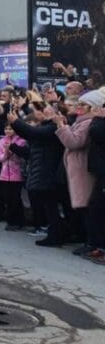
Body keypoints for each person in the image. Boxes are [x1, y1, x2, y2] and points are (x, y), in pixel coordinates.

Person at [8, 103, 66, 246]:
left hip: (49, 169)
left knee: (52, 205)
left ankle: (56, 235)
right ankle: (55, 234)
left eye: (49, 110)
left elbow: (35, 133)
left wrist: (16, 122)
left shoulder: (54, 128)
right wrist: (15, 124)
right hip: (42, 168)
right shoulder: (45, 126)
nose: (45, 111)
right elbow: (30, 134)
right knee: (48, 204)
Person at [55, 89, 101, 252]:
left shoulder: (88, 123)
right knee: (84, 207)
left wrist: (61, 127)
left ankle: (91, 242)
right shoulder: (81, 120)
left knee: (87, 206)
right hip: (77, 167)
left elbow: (74, 142)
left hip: (83, 169)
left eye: (83, 105)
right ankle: (88, 240)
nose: (79, 107)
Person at [0, 121, 27, 230]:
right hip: (4, 173)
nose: (8, 131)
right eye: (6, 129)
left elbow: (21, 158)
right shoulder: (1, 141)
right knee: (7, 199)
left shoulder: (21, 141)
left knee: (15, 199)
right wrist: (6, 153)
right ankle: (10, 220)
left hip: (16, 173)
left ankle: (19, 221)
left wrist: (12, 151)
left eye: (11, 129)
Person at [86, 91, 105, 263]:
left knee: (99, 207)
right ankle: (99, 245)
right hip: (100, 170)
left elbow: (97, 133)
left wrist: (98, 118)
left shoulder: (100, 123)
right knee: (96, 207)